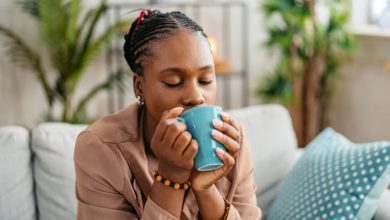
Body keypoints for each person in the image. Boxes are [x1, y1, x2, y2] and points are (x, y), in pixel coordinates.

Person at [74, 9, 262, 220]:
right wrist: (171, 175)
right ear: (139, 86)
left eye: (206, 79)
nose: (196, 96)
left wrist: (206, 191)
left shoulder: (232, 141)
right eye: (174, 82)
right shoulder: (101, 147)